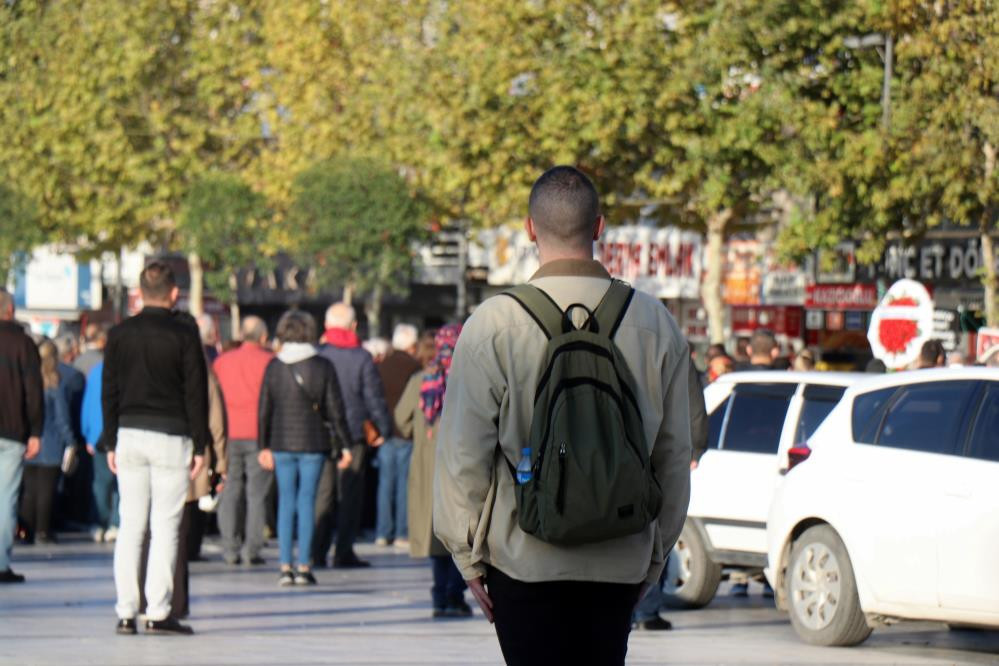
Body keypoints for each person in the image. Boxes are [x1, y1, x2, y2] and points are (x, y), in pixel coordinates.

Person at [433, 166, 692, 665]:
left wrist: (465, 554)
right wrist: (655, 555)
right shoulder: (654, 321)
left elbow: (463, 453)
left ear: (530, 228)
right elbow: (674, 453)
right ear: (599, 227)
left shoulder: (494, 322)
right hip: (620, 556)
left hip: (523, 557)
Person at [102, 261, 209, 636]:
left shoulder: (119, 334)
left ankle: (125, 610)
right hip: (171, 435)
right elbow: (196, 392)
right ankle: (159, 610)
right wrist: (201, 443)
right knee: (166, 527)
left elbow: (109, 390)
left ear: (139, 291)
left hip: (129, 433)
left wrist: (110, 438)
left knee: (130, 524)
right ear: (175, 292)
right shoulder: (183, 334)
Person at [258, 310, 352, 586]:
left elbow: (265, 409)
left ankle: (284, 565)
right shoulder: (322, 366)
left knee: (286, 502)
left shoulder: (274, 366)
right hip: (314, 443)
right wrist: (345, 444)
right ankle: (304, 565)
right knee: (307, 502)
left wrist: (263, 445)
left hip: (281, 442)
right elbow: (336, 409)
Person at [393, 324, 473, 618]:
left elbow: (401, 419)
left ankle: (440, 594)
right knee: (461, 534)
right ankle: (455, 593)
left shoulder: (421, 380)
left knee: (435, 535)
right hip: (462, 468)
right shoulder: (468, 380)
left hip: (428, 470)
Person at [632, 352, 709, 631]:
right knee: (656, 528)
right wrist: (696, 446)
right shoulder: (670, 344)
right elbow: (693, 403)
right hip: (659, 448)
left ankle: (634, 609)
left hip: (619, 450)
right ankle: (646, 609)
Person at [312, 303, 392, 569]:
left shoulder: (319, 354)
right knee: (350, 495)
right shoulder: (361, 357)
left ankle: (317, 550)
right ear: (354, 326)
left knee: (323, 493)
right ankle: (343, 551)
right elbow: (373, 397)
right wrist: (383, 427)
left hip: (323, 433)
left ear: (326, 326)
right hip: (354, 432)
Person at [214, 316, 275, 566]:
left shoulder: (222, 362)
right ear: (263, 337)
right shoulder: (270, 362)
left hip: (229, 433)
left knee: (230, 490)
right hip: (260, 434)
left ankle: (229, 547)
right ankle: (252, 549)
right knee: (257, 494)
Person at [0, 289, 43, 583]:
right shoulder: (23, 344)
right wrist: (36, 430)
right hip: (13, 430)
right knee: (6, 498)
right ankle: (1, 562)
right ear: (11, 309)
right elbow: (34, 391)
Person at [18, 339, 74, 544]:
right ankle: (43, 530)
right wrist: (71, 441)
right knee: (46, 491)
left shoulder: (27, 383)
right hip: (51, 443)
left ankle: (25, 530)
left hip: (29, 443)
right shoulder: (54, 384)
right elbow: (62, 418)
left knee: (29, 491)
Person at [374, 323, 422, 548]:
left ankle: (383, 531)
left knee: (385, 483)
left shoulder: (382, 365)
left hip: (385, 431)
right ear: (412, 345)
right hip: (406, 432)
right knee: (404, 483)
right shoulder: (415, 367)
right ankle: (402, 532)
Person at [81, 360, 119, 543]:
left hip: (98, 434)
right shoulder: (126, 368)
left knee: (101, 482)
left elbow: (88, 404)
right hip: (120, 433)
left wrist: (87, 433)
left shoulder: (96, 371)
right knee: (119, 484)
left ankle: (99, 522)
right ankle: (115, 523)